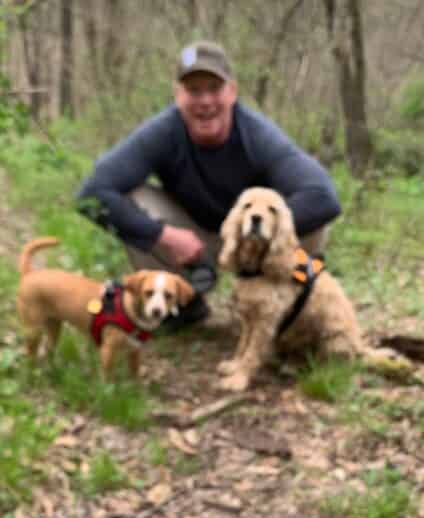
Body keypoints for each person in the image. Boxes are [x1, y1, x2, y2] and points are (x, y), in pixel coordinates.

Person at [77, 40, 341, 327]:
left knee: (314, 221)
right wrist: (163, 236)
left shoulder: (258, 135)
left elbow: (324, 197)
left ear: (232, 92)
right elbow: (91, 194)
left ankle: (291, 309)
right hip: (194, 242)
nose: (205, 101)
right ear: (178, 95)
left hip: (256, 243)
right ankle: (183, 305)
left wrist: (249, 234)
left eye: (214, 89)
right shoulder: (163, 131)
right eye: (193, 90)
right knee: (132, 196)